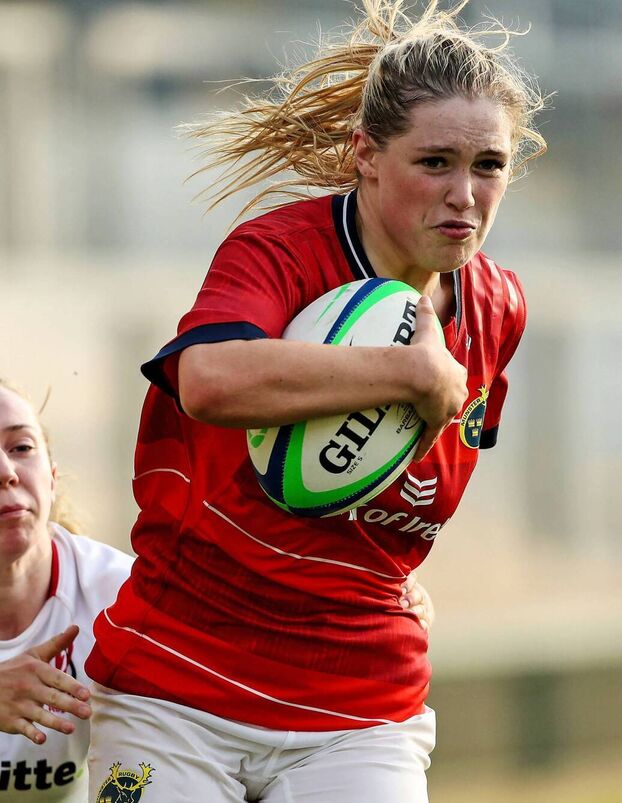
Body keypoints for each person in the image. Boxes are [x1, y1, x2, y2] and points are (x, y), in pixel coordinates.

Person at [85, 1, 546, 801]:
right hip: (180, 686)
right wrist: (407, 375)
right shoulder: (284, 250)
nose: (465, 195)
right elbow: (209, 381)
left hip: (358, 707)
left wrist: (387, 572)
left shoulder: (498, 307)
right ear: (365, 155)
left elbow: (396, 492)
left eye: (488, 165)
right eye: (435, 161)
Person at [0, 374, 442, 802]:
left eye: (21, 448)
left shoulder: (122, 595)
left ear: (52, 474)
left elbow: (251, 632)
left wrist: (363, 599)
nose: (3, 473)